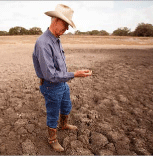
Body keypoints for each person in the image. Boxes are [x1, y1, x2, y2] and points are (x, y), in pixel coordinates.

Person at [32, 4, 92, 152]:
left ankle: (63, 124)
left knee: (66, 106)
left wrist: (71, 75)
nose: (66, 29)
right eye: (65, 25)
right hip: (51, 85)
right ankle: (52, 139)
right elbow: (50, 74)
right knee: (53, 113)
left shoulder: (56, 38)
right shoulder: (43, 43)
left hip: (62, 83)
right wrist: (74, 74)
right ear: (56, 21)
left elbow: (59, 67)